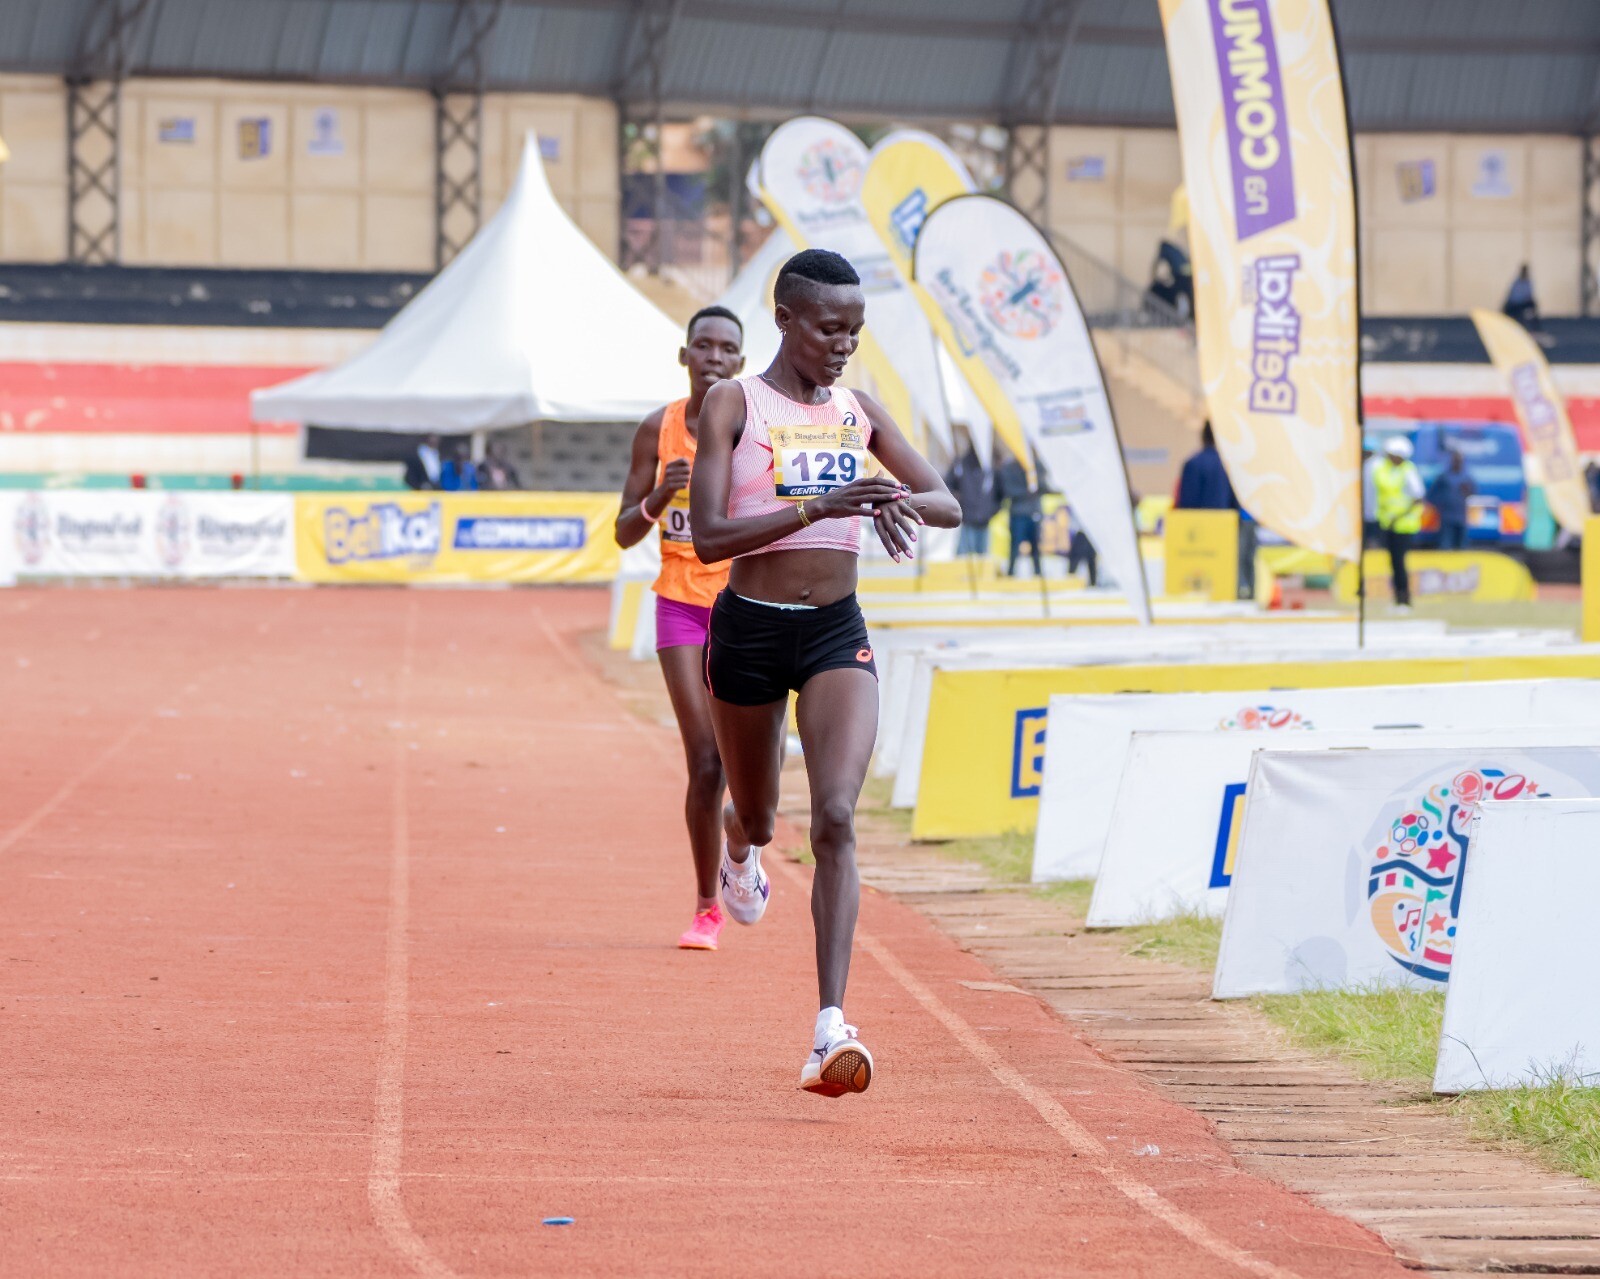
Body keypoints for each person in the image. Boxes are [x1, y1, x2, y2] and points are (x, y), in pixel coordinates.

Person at [690, 249, 960, 1096]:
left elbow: (948, 502)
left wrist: (889, 497)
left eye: (855, 331)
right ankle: (739, 843)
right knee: (762, 815)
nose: (844, 345)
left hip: (836, 633)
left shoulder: (858, 410)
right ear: (785, 319)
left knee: (836, 815)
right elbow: (709, 538)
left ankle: (829, 1028)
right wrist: (818, 506)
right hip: (750, 629)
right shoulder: (735, 404)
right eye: (829, 328)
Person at [614, 305, 746, 950]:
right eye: (703, 346)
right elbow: (622, 534)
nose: (713, 357)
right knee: (705, 758)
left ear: (741, 363)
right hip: (679, 602)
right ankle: (707, 908)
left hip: (742, 604)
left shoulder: (751, 428)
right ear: (685, 355)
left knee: (752, 764)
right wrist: (658, 498)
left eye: (726, 349)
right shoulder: (657, 429)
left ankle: (743, 842)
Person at [1174, 421, 1255, 598]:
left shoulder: (1193, 463)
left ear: (1203, 437)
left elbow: (1185, 504)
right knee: (1224, 580)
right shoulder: (1229, 465)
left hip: (1197, 536)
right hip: (1224, 531)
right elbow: (1236, 501)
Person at [1373, 435, 1425, 609]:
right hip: (1388, 524)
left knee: (1400, 563)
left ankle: (1404, 598)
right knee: (1394, 563)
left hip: (1404, 525)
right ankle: (1397, 598)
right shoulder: (1384, 469)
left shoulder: (1408, 471)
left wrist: (1399, 516)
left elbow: (1418, 498)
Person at [944, 431, 996, 557]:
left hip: (984, 520)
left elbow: (1000, 492)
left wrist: (991, 509)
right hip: (967, 518)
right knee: (965, 555)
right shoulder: (961, 465)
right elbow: (947, 486)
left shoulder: (991, 467)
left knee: (982, 557)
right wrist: (958, 502)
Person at [995, 451, 1043, 578]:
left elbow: (1042, 485)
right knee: (1015, 546)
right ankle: (1011, 573)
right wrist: (1028, 491)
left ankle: (1038, 574)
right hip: (1018, 513)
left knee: (1036, 546)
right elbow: (1008, 490)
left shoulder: (1036, 466)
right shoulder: (1010, 468)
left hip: (1034, 511)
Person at [1426, 449, 1475, 550]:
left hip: (1461, 516)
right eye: (1455, 460)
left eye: (1459, 460)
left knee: (1462, 546)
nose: (1457, 463)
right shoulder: (1444, 477)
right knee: (1445, 545)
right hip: (1446, 516)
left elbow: (1473, 494)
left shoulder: (1466, 478)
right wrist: (1441, 503)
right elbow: (1432, 494)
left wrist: (1467, 491)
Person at [1503, 264, 1539, 331]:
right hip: (1515, 304)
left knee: (1533, 305)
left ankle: (1536, 328)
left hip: (1522, 303)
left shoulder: (1528, 282)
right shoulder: (1517, 282)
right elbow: (1513, 296)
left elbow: (1529, 295)